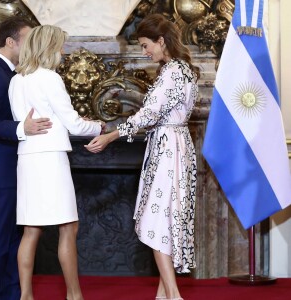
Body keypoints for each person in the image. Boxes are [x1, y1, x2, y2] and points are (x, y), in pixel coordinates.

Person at [85, 13, 199, 300]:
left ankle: (173, 295)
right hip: (176, 145)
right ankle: (163, 295)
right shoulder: (183, 69)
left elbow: (148, 115)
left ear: (162, 41)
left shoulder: (173, 70)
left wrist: (110, 136)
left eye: (147, 45)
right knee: (166, 218)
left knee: (157, 220)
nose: (145, 51)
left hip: (167, 147)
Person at [8, 25, 105, 300]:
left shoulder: (17, 79)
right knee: (68, 227)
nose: (63, 52)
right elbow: (73, 123)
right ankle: (74, 295)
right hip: (50, 159)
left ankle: (25, 296)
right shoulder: (50, 78)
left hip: (26, 158)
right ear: (49, 47)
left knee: (30, 230)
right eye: (61, 46)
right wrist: (99, 127)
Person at [0, 17, 53, 300]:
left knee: (10, 238)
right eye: (28, 40)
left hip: (12, 170)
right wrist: (21, 128)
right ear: (10, 42)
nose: (32, 47)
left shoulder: (16, 75)